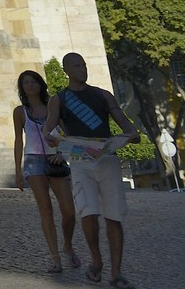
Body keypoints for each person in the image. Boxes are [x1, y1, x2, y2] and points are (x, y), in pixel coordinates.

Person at [44, 52, 139, 288]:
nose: (83, 69)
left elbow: (125, 124)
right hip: (80, 161)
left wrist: (131, 135)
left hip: (107, 159)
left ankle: (116, 272)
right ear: (67, 70)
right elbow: (48, 129)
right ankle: (96, 261)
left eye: (84, 65)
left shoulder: (103, 95)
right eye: (77, 66)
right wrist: (53, 139)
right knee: (88, 213)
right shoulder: (59, 99)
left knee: (114, 215)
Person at [14, 69, 78, 274]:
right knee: (46, 209)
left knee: (69, 211)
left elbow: (67, 134)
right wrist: (18, 171)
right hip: (34, 162)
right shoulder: (20, 111)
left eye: (34, 81)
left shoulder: (54, 105)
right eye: (26, 82)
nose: (31, 85)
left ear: (40, 84)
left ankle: (67, 245)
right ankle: (55, 257)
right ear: (22, 88)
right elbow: (18, 141)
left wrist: (63, 153)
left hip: (55, 159)